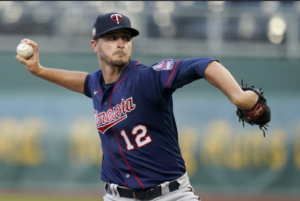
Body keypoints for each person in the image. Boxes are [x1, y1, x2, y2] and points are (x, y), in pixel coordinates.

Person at [16, 12, 270, 201]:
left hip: (169, 195)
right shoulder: (96, 83)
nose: (120, 43)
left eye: (125, 37)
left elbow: (203, 65)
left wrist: (238, 96)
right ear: (94, 45)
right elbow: (82, 81)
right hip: (117, 196)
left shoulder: (147, 78)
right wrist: (39, 71)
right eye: (111, 37)